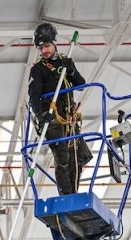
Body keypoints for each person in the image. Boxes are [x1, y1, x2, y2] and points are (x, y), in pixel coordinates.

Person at [27, 22, 92, 195]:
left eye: (47, 46)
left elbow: (81, 85)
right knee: (63, 156)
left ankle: (73, 193)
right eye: (41, 48)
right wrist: (41, 114)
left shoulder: (65, 62)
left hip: (68, 118)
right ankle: (66, 196)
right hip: (52, 118)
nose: (44, 51)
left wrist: (71, 72)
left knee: (80, 155)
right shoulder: (38, 70)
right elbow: (33, 95)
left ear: (55, 43)